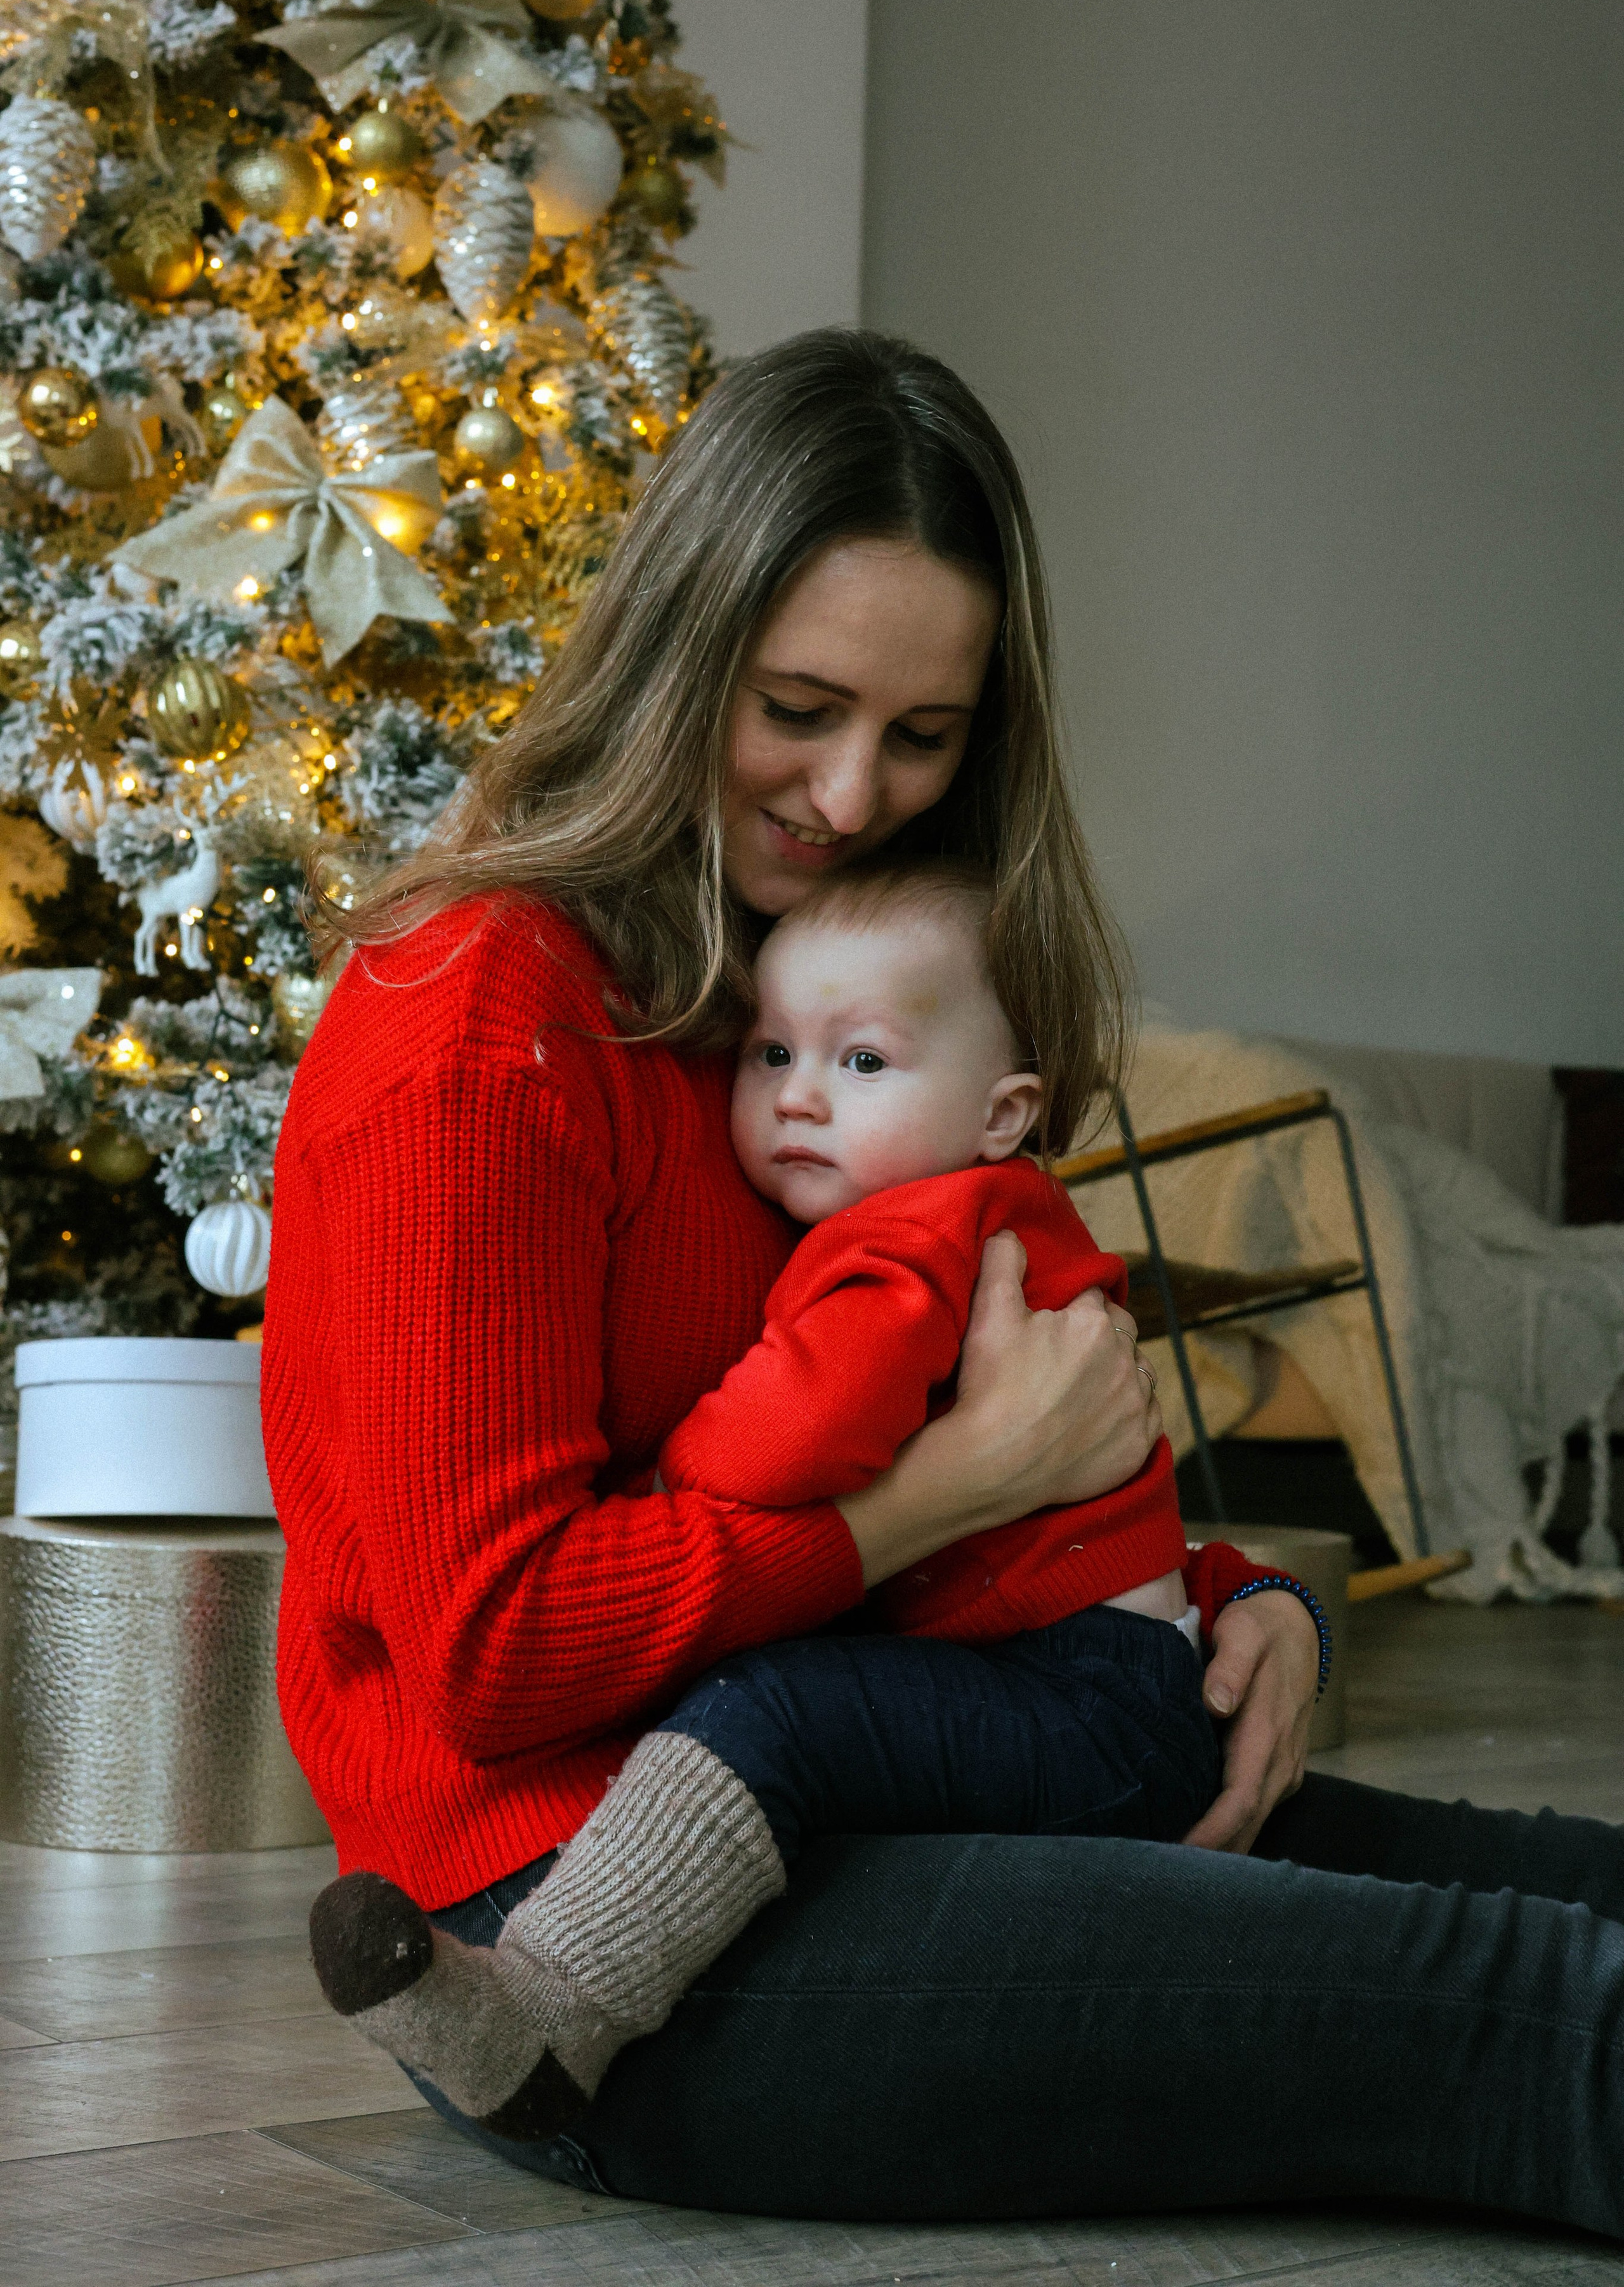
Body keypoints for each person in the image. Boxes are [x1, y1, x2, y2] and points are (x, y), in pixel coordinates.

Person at [266, 328, 1624, 2238]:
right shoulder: (473, 1020)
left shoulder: (819, 1001)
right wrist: (945, 1493)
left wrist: (1247, 1609)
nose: (850, 793)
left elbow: (989, 1408)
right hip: (583, 1925)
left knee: (1567, 1892)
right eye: (798, 707)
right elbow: (495, 1656)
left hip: (900, 1765)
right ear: (677, 652)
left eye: (922, 735)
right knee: (1534, 2020)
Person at [308, 860, 1325, 2132]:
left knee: (779, 1711)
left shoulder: (924, 1231)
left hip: (1086, 1698)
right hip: (1085, 1678)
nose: (795, 1096)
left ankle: (557, 2005)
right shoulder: (940, 1213)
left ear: (1001, 1114)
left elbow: (806, 1423)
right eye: (770, 1051)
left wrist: (672, 1476)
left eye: (860, 1064)